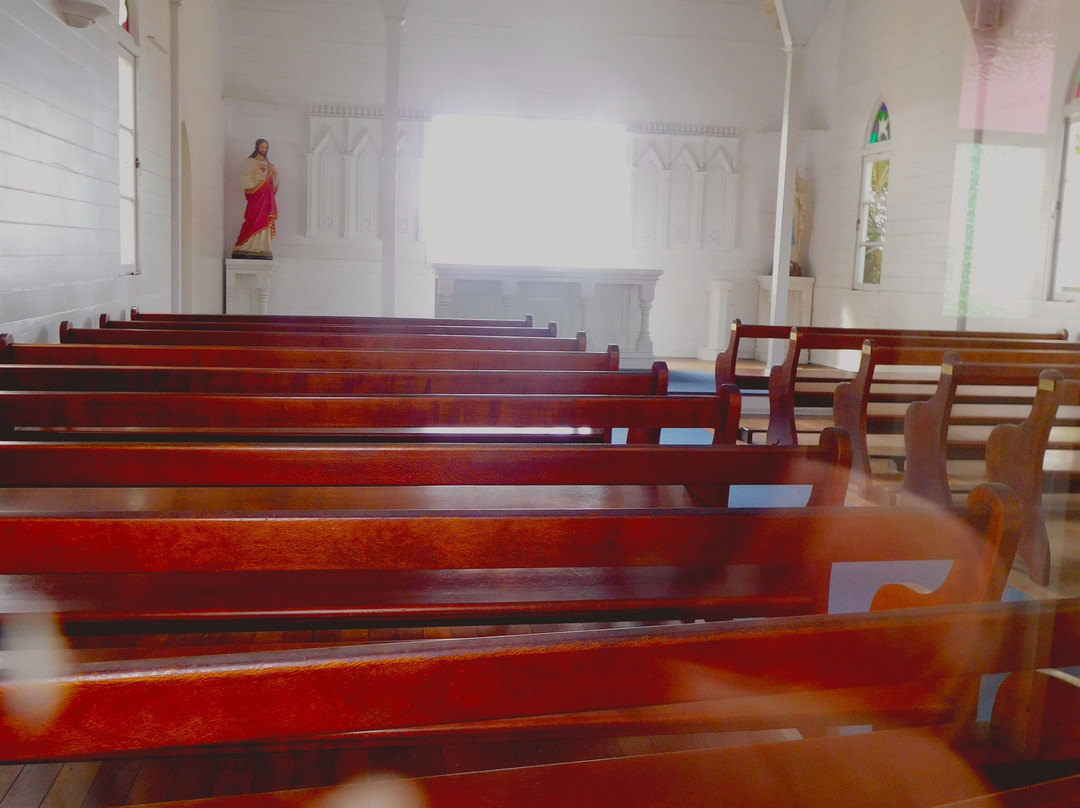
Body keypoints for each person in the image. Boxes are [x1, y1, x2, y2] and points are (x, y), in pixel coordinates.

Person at [231, 138, 279, 259]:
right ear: (257, 147)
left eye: (266, 147)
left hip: (266, 197)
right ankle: (245, 245)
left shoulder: (269, 164)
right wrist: (255, 172)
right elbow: (244, 179)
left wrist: (275, 173)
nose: (264, 149)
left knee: (264, 218)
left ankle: (262, 247)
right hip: (256, 196)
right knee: (252, 217)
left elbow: (274, 183)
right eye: (262, 147)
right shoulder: (250, 162)